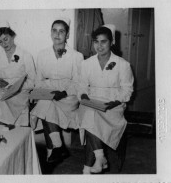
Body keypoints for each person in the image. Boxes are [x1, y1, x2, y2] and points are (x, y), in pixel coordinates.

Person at [77, 24, 134, 174]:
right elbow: (81, 86)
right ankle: (96, 161)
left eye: (104, 41)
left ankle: (90, 166)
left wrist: (114, 102)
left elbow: (127, 91)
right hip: (92, 102)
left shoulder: (123, 65)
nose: (99, 46)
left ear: (112, 42)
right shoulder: (86, 64)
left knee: (90, 117)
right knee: (90, 112)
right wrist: (83, 96)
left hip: (114, 106)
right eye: (96, 41)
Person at [30, 18, 84, 163]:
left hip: (68, 96)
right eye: (54, 30)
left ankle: (56, 148)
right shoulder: (42, 54)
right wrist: (42, 92)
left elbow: (79, 83)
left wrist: (64, 92)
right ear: (50, 33)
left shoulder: (76, 56)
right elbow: (38, 80)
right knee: (46, 102)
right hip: (49, 93)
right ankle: (55, 150)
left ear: (67, 35)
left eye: (61, 31)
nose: (57, 34)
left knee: (45, 104)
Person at [0, 21, 36, 126]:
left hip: (19, 92)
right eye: (0, 42)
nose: (4, 44)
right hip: (1, 90)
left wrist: (18, 87)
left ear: (12, 36)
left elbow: (33, 81)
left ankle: (6, 133)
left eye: (6, 39)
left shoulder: (25, 55)